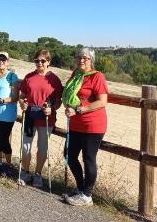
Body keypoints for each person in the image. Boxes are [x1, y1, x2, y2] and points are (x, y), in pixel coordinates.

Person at [62, 47, 108, 206]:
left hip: (92, 125)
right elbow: (69, 95)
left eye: (85, 58)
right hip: (75, 123)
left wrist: (79, 109)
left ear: (91, 61)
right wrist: (69, 107)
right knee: (69, 155)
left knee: (88, 159)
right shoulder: (76, 75)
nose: (81, 60)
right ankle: (81, 189)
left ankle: (87, 195)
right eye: (79, 57)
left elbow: (102, 101)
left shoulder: (97, 77)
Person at [18, 49, 63, 187]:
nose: (39, 63)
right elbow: (22, 95)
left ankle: (38, 174)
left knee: (42, 148)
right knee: (25, 147)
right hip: (30, 116)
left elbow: (58, 100)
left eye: (43, 61)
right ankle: (25, 172)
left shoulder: (54, 79)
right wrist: (22, 103)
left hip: (46, 118)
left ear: (48, 62)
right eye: (37, 61)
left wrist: (52, 108)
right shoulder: (29, 77)